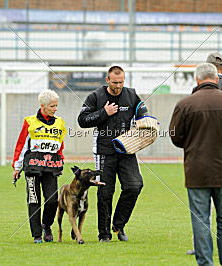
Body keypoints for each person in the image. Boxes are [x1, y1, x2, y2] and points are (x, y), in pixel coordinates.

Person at [169, 63, 222, 265]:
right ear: (216, 79)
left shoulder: (185, 104)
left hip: (197, 171)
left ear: (197, 80)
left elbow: (176, 137)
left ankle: (205, 262)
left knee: (200, 220)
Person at [78, 66, 147, 242]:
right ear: (107, 80)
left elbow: (142, 114)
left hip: (126, 150)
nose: (118, 86)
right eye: (115, 82)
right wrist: (104, 113)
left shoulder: (131, 95)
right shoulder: (96, 96)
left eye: (121, 82)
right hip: (104, 152)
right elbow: (82, 120)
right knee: (105, 193)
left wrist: (146, 122)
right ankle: (104, 234)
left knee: (134, 185)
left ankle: (118, 225)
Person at [12, 90, 66, 244]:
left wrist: (60, 157)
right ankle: (37, 235)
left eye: (56, 106)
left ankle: (46, 226)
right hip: (32, 165)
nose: (55, 109)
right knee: (34, 200)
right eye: (52, 106)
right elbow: (21, 146)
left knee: (52, 200)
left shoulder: (60, 122)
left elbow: (60, 144)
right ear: (43, 106)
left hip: (51, 165)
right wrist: (17, 167)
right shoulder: (30, 122)